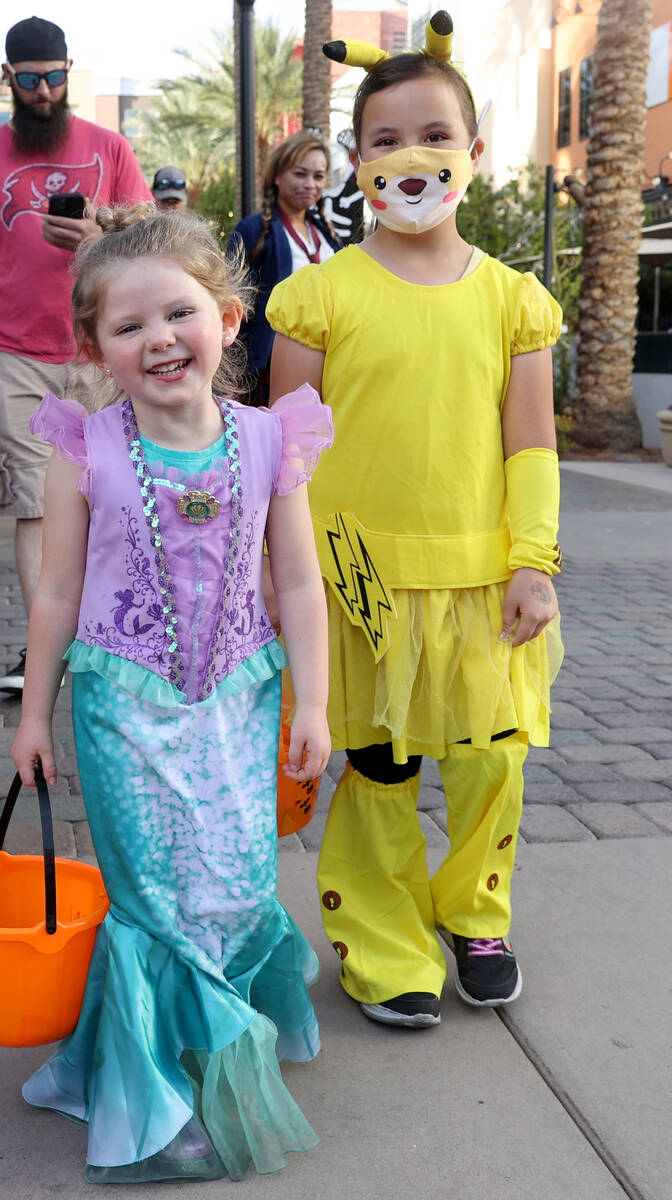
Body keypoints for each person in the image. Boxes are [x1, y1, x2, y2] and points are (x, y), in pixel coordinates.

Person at [11, 206, 334, 1182]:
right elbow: (58, 589)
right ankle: (154, 1098)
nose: (157, 340)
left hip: (238, 702)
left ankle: (213, 1034)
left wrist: (312, 704)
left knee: (232, 884)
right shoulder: (84, 448)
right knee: (152, 897)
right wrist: (32, 715)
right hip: (120, 707)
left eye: (178, 314)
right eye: (127, 326)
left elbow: (295, 583)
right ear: (93, 347)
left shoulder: (271, 439)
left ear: (229, 319)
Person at [265, 11, 564, 1029]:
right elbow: (283, 454)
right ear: (353, 162)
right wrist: (278, 570)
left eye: (433, 134)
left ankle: (475, 912)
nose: (410, 157)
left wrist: (533, 560)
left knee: (490, 758)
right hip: (358, 580)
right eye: (384, 139)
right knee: (380, 764)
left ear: (472, 153)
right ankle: (384, 943)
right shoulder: (316, 297)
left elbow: (529, 443)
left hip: (481, 580)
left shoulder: (512, 301)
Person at [0, 15, 151, 694]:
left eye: (54, 78)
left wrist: (98, 234)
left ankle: (113, 638)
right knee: (31, 504)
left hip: (102, 354)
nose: (44, 92)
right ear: (8, 78)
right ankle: (47, 652)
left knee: (115, 499)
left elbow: (151, 244)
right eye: (29, 80)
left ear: (67, 73)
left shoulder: (109, 149)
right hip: (13, 357)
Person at [227, 130, 341, 407]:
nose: (310, 184)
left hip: (330, 364)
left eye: (318, 176)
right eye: (299, 174)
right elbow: (228, 299)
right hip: (266, 371)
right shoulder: (253, 231)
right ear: (277, 176)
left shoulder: (327, 234)